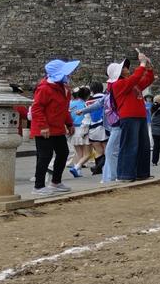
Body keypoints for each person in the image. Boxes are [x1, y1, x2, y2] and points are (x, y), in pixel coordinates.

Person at [30, 59, 79, 196]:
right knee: (45, 156)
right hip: (44, 128)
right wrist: (43, 126)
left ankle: (55, 182)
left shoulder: (64, 89)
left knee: (63, 153)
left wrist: (69, 123)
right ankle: (38, 186)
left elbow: (64, 109)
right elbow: (37, 109)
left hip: (57, 127)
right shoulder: (44, 88)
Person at [112, 52, 156, 182]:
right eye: (124, 68)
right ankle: (125, 174)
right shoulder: (118, 84)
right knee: (130, 145)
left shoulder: (131, 83)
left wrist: (149, 68)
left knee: (143, 146)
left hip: (139, 116)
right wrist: (142, 64)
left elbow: (147, 80)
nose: (126, 69)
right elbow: (136, 77)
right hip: (129, 116)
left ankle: (141, 173)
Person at [66, 86, 90, 178]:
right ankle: (76, 168)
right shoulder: (85, 104)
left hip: (73, 129)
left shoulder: (70, 103)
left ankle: (78, 171)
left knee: (79, 153)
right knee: (87, 153)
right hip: (83, 129)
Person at [85, 81, 108, 176]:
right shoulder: (105, 98)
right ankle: (103, 168)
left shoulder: (88, 102)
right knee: (107, 149)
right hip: (105, 126)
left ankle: (98, 169)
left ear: (92, 90)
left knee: (98, 150)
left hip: (93, 128)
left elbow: (87, 117)